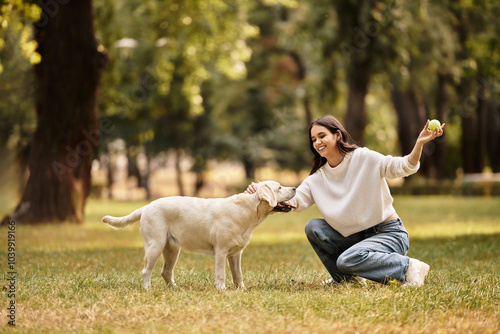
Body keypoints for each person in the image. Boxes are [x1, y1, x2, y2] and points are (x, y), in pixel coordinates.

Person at [246, 115, 445, 286]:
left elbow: (403, 167)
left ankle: (410, 269)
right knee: (313, 227)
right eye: (313, 139)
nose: (317, 142)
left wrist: (419, 143)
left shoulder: (363, 158)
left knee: (348, 259)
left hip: (388, 234)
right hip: (357, 239)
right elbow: (293, 201)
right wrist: (262, 192)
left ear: (337, 135)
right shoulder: (317, 179)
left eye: (322, 136)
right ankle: (347, 280)